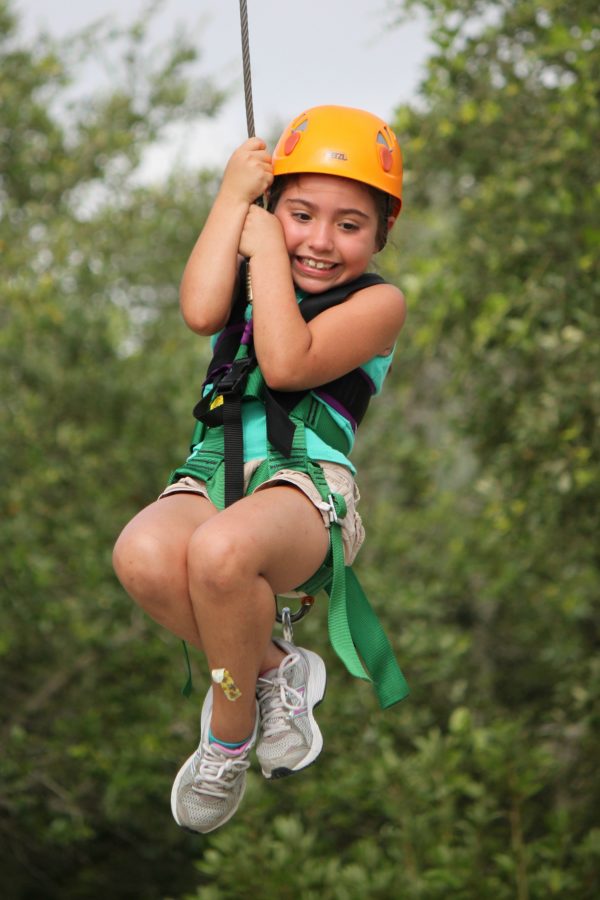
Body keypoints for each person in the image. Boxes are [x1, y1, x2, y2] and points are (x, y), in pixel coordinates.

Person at [112, 105, 407, 834]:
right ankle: (273, 664)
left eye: (350, 224)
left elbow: (286, 360)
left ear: (380, 235)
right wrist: (230, 200)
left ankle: (228, 736)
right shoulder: (251, 259)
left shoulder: (379, 302)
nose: (320, 240)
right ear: (274, 207)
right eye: (300, 214)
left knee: (220, 552)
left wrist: (268, 253)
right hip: (217, 463)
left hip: (305, 486)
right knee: (144, 556)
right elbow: (198, 308)